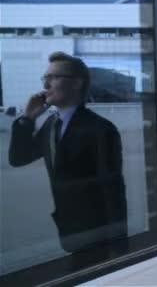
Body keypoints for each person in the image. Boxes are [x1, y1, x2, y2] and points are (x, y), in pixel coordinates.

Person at [8, 52, 127, 257]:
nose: (46, 86)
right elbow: (18, 158)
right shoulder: (50, 124)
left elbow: (113, 192)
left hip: (97, 236)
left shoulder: (100, 129)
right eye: (45, 78)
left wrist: (118, 248)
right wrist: (27, 120)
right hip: (69, 229)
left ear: (77, 83)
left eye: (53, 77)